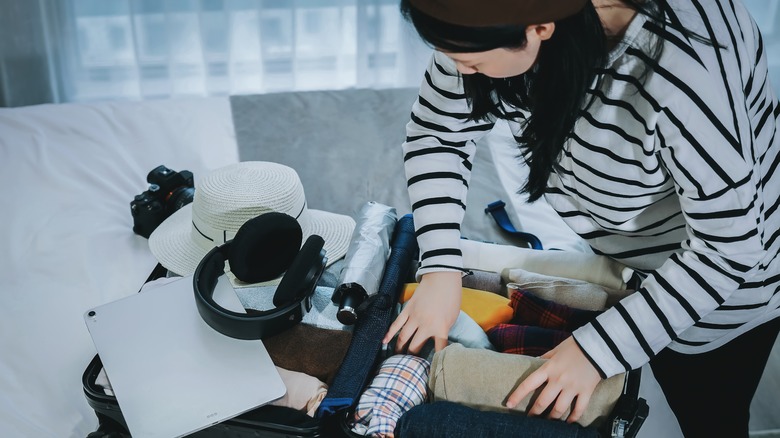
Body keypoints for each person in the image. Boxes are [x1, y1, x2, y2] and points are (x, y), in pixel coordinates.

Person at [382, 0, 780, 436]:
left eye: (470, 61)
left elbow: (729, 249)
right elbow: (438, 130)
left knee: (708, 413)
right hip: (631, 251)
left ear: (540, 27)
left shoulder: (682, 75)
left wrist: (597, 351)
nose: (458, 71)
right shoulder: (485, 14)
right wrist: (440, 269)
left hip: (730, 281)